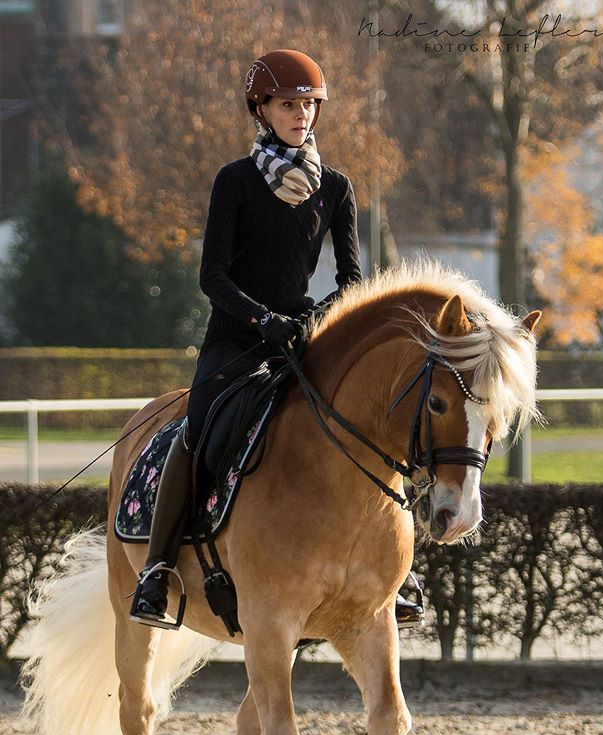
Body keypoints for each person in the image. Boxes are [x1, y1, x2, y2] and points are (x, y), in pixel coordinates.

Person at [129, 48, 423, 629]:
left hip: (301, 337)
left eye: (310, 105)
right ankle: (157, 570)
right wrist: (264, 321)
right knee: (199, 430)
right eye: (290, 105)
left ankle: (397, 570)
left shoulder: (336, 187)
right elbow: (211, 277)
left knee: (368, 428)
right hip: (236, 338)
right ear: (260, 109)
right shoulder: (234, 182)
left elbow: (352, 281)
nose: (302, 115)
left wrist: (321, 320)